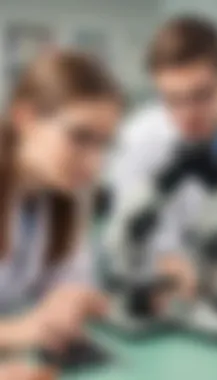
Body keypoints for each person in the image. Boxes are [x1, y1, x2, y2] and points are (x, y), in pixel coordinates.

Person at [0, 50, 123, 352]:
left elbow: (73, 282)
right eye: (79, 137)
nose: (95, 164)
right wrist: (16, 332)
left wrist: (75, 299)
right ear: (25, 119)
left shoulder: (63, 196)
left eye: (103, 144)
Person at [108, 16, 217, 298]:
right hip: (176, 291)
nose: (187, 115)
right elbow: (142, 239)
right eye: (172, 99)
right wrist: (175, 267)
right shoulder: (140, 141)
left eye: (202, 95)